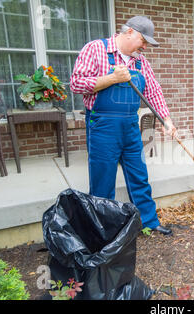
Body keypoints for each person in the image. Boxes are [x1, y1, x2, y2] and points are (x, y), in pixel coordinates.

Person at [70, 16, 176, 235]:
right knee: (103, 180)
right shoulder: (96, 49)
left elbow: (153, 91)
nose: (145, 47)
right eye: (143, 41)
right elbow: (76, 83)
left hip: (129, 125)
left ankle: (149, 221)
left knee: (139, 175)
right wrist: (111, 78)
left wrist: (166, 119)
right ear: (129, 32)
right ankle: (104, 230)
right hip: (102, 125)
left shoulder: (140, 62)